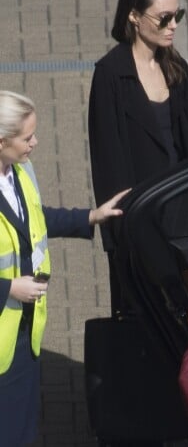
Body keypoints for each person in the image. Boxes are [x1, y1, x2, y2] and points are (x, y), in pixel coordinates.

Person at [88, 0, 188, 310]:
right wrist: (121, 236)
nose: (173, 26)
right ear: (134, 17)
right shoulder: (111, 76)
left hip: (186, 212)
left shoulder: (173, 65)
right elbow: (109, 162)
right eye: (164, 17)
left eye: (177, 16)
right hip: (142, 221)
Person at [0, 90, 128, 446]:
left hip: (21, 334)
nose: (35, 143)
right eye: (27, 138)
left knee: (22, 428)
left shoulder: (19, 172)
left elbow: (36, 219)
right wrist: (8, 289)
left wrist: (90, 217)